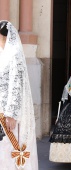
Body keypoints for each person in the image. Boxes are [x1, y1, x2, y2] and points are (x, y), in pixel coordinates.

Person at [0, 20, 38, 169]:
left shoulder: (14, 55)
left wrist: (11, 114)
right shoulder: (3, 55)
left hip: (8, 115)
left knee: (8, 148)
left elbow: (16, 86)